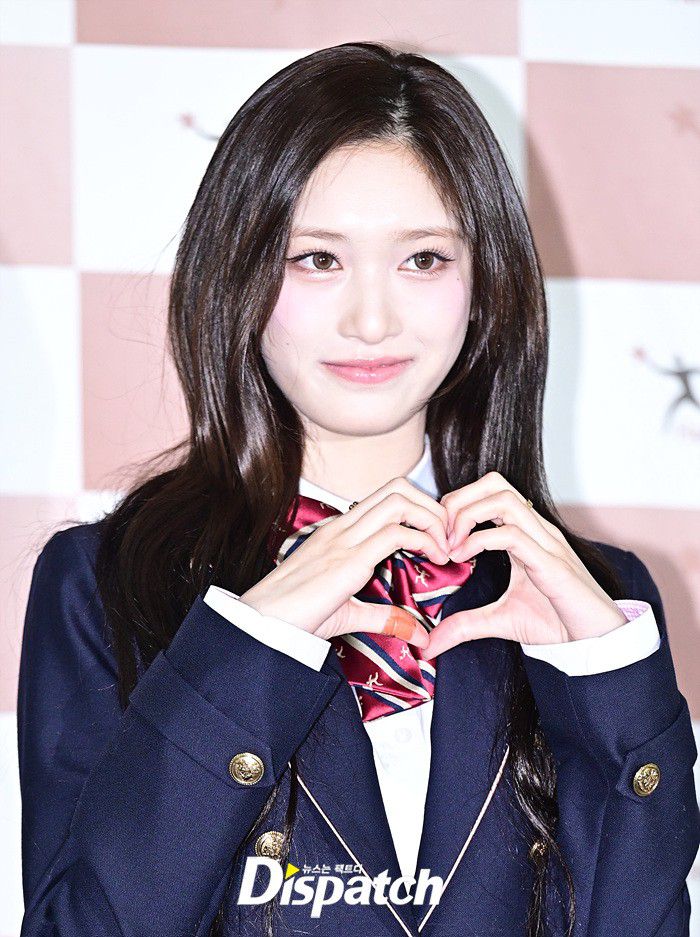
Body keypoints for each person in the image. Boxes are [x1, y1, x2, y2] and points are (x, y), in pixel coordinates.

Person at [16, 41, 699, 937]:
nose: (372, 319)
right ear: (238, 274)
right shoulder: (108, 584)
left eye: (423, 260)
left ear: (485, 285)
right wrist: (252, 646)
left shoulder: (593, 606)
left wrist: (606, 684)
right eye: (316, 259)